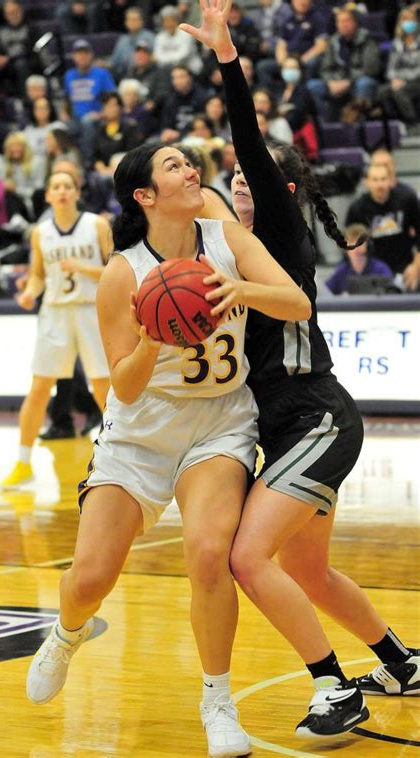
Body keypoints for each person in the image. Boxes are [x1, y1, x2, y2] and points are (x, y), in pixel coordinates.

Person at [25, 142, 311, 757]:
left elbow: (298, 303)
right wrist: (154, 339)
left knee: (210, 555)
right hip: (140, 430)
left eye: (189, 162)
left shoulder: (227, 239)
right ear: (145, 196)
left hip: (220, 421)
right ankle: (66, 633)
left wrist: (238, 289)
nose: (190, 170)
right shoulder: (123, 273)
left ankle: (217, 699)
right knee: (90, 577)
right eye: (174, 166)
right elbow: (124, 385)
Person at [182, 0, 419, 739]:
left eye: (257, 178)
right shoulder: (224, 250)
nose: (242, 183)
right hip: (280, 429)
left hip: (317, 415)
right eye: (237, 181)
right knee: (309, 574)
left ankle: (335, 689)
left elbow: (247, 140)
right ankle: (402, 664)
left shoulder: (278, 235)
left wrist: (226, 58)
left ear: (283, 192)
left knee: (251, 560)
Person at [0, 171, 113, 488]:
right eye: (55, 187)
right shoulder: (41, 232)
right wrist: (28, 293)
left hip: (91, 310)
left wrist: (83, 268)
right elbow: (38, 275)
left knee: (104, 389)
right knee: (38, 389)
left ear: (77, 192)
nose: (61, 191)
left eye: (67, 186)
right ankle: (23, 463)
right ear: (47, 195)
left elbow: (116, 270)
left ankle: (120, 462)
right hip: (55, 313)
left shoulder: (97, 225)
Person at [345, 162, 420, 291]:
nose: (380, 184)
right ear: (367, 182)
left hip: (405, 266)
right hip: (373, 270)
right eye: (375, 180)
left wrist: (416, 266)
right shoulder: (357, 208)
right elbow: (349, 243)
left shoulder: (407, 200)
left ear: (391, 181)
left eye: (383, 179)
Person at [307, 4, 381, 122]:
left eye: (347, 21)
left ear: (355, 22)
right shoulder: (333, 41)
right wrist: (331, 82)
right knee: (312, 86)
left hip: (356, 82)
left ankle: (361, 124)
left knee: (365, 83)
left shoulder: (367, 40)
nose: (343, 24)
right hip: (336, 83)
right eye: (339, 21)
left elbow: (370, 68)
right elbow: (325, 68)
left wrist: (348, 81)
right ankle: (323, 126)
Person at [325, 223, 394, 295]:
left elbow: (392, 293)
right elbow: (325, 293)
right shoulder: (341, 271)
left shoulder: (381, 269)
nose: (354, 246)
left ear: (368, 245)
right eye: (350, 241)